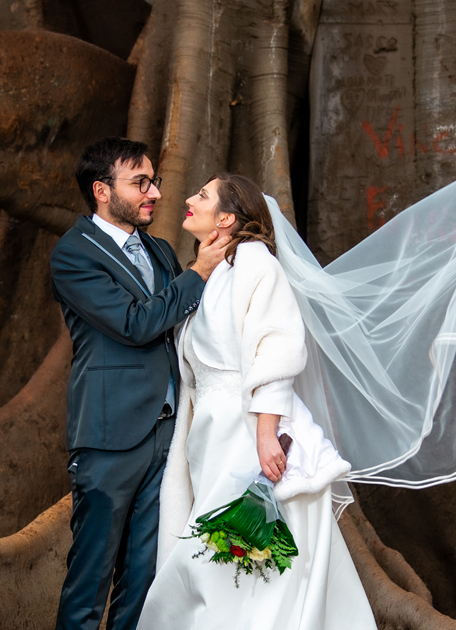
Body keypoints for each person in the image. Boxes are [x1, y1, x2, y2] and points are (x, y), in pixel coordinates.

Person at [136, 173, 377, 630]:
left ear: (226, 218)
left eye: (202, 195)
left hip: (246, 433)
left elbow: (278, 349)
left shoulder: (255, 263)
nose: (188, 199)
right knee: (219, 554)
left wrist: (267, 435)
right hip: (209, 437)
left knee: (236, 556)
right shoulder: (210, 272)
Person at [50, 137, 229, 630]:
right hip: (109, 436)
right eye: (140, 183)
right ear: (102, 191)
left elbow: (184, 324)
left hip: (167, 435)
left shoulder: (160, 250)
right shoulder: (72, 255)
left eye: (154, 181)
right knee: (90, 577)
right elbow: (135, 324)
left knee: (144, 578)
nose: (155, 193)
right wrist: (199, 271)